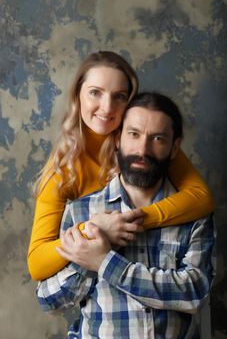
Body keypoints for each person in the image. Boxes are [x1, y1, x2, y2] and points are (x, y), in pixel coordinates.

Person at [37, 92, 216, 339]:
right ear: (118, 139)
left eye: (158, 138)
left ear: (174, 147)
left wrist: (104, 263)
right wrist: (88, 252)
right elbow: (49, 301)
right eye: (134, 134)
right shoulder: (80, 212)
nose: (143, 149)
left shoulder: (193, 214)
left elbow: (196, 292)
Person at [27, 51, 215, 281]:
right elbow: (37, 264)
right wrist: (94, 229)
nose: (107, 107)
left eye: (119, 96)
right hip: (102, 291)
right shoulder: (64, 167)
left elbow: (201, 198)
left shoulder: (143, 144)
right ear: (78, 95)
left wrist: (132, 220)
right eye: (95, 93)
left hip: (160, 270)